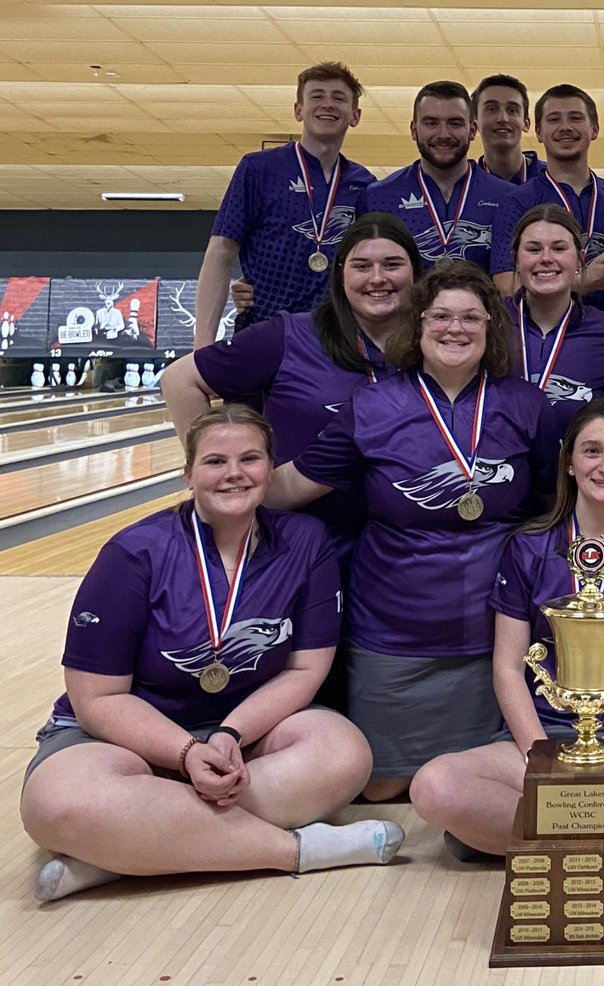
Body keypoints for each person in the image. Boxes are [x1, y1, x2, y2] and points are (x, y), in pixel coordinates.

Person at [20, 406, 405, 903]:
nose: (234, 474)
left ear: (270, 468)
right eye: (215, 461)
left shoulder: (304, 542)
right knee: (60, 806)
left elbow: (306, 669)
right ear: (188, 474)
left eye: (250, 458)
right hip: (123, 739)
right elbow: (97, 697)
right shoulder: (134, 551)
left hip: (243, 734)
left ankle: (122, 855)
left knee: (345, 755)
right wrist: (185, 753)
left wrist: (228, 734)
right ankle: (297, 851)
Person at [265, 262, 557, 801]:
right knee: (383, 789)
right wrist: (224, 481)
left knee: (488, 779)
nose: (455, 328)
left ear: (491, 328)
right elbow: (289, 488)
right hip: (394, 631)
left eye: (472, 317)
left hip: (496, 638)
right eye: (441, 315)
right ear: (417, 325)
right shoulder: (371, 405)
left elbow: (548, 507)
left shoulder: (526, 404)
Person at [409, 398, 604, 874]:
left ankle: (507, 839)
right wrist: (542, 761)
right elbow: (508, 668)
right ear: (570, 463)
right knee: (433, 786)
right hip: (540, 735)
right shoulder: (528, 546)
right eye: (591, 451)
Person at [162, 214, 423, 570]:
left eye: (392, 265)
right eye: (362, 266)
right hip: (295, 546)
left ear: (415, 272)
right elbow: (179, 381)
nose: (377, 278)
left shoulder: (434, 345)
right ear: (341, 273)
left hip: (400, 550)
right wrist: (215, 464)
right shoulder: (289, 336)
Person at [195, 62, 374, 348]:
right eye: (317, 96)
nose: (328, 104)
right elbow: (221, 251)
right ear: (298, 110)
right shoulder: (258, 168)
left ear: (355, 115)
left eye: (339, 98)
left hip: (333, 343)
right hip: (262, 332)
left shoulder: (364, 184)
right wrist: (203, 345)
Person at [491, 84, 604, 318]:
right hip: (536, 336)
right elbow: (505, 288)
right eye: (554, 119)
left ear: (594, 129)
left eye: (576, 118)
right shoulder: (516, 203)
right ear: (539, 132)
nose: (565, 127)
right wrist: (582, 282)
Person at [506, 204, 604, 442]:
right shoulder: (489, 323)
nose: (546, 258)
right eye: (533, 249)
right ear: (516, 260)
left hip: (582, 476)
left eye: (559, 248)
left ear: (580, 260)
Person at [355, 81, 513, 273]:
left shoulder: (508, 198)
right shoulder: (377, 199)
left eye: (455, 123)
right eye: (431, 123)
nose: (443, 134)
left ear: (472, 130)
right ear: (414, 130)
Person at [472, 74, 546, 184]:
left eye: (512, 110)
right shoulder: (465, 184)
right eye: (492, 109)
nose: (503, 118)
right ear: (475, 123)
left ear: (526, 123)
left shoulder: (552, 180)